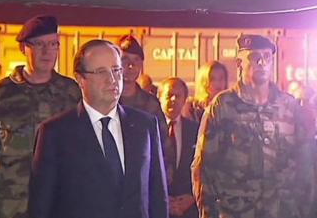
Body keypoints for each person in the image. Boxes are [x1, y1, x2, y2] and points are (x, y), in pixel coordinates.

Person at [28, 39, 168, 218]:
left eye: (116, 70)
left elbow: (158, 197)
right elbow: (41, 207)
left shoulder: (145, 125)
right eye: (101, 72)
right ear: (80, 79)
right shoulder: (56, 134)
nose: (112, 79)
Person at [191, 34, 316, 218]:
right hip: (236, 211)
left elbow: (305, 166)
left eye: (267, 57)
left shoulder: (289, 106)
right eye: (254, 57)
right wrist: (207, 212)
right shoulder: (223, 106)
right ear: (239, 63)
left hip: (282, 211)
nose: (261, 62)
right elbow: (203, 167)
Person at [0, 15, 81, 218]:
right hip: (11, 207)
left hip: (58, 205)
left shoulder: (71, 93)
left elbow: (82, 154)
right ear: (24, 48)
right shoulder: (1, 93)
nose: (47, 51)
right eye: (39, 44)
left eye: (53, 44)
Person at [116, 35, 168, 149]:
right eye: (124, 60)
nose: (131, 66)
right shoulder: (105, 101)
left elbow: (163, 144)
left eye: (136, 60)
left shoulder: (150, 104)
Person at [158, 77, 198, 218]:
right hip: (158, 206)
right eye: (169, 95)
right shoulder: (150, 128)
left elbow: (201, 168)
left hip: (188, 207)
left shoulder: (195, 130)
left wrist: (192, 197)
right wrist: (162, 199)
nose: (173, 99)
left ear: (185, 99)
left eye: (178, 96)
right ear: (159, 97)